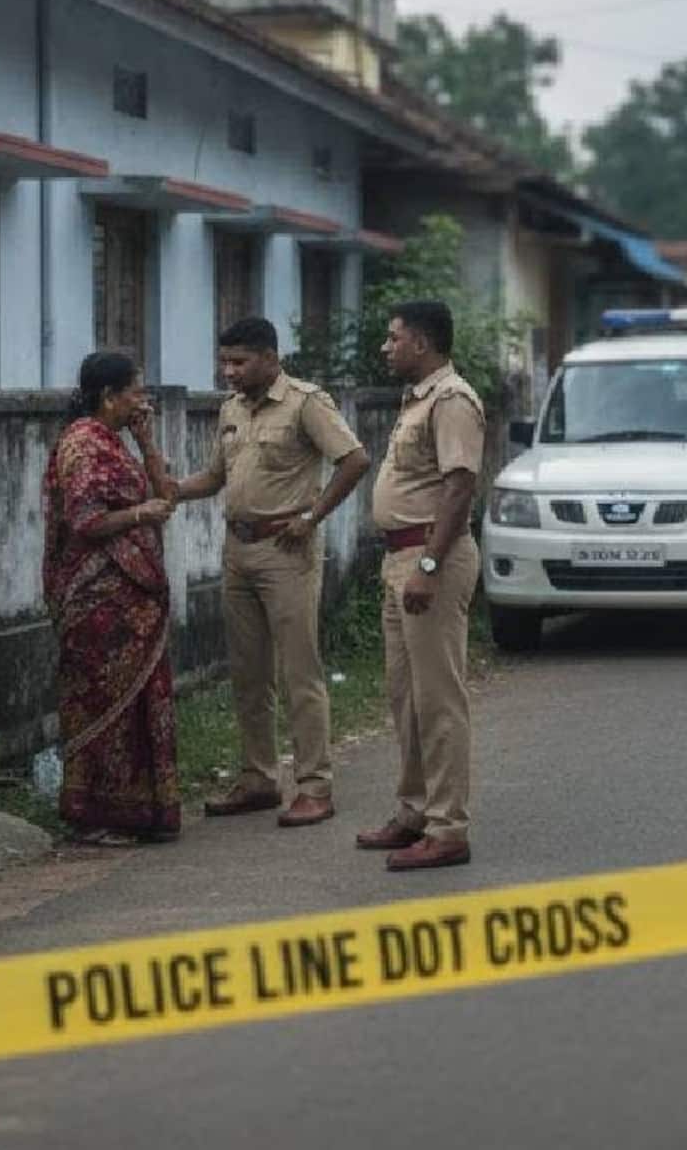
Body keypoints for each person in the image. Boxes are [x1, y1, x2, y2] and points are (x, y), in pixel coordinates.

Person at [173, 317, 369, 827]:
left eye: (238, 362)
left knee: (299, 671)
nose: (228, 372)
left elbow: (354, 460)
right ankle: (259, 778)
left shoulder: (306, 403)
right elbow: (215, 477)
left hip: (286, 551)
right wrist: (168, 489)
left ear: (269, 357)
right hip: (237, 551)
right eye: (225, 362)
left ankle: (314, 786)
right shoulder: (231, 410)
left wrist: (312, 517)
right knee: (248, 673)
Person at [356, 300, 485, 871]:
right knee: (405, 700)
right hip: (401, 561)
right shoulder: (418, 400)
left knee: (438, 702)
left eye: (393, 338)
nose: (386, 347)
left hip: (431, 560)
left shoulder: (453, 400)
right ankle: (413, 812)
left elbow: (460, 488)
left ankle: (447, 829)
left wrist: (429, 568)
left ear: (422, 343)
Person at [40, 351, 181, 845]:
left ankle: (143, 811)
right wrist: (140, 515)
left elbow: (167, 496)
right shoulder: (83, 443)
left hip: (136, 596)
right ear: (109, 395)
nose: (144, 401)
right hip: (97, 599)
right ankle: (96, 815)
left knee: (141, 702)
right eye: (137, 391)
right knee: (104, 705)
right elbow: (85, 519)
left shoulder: (118, 443)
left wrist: (146, 442)